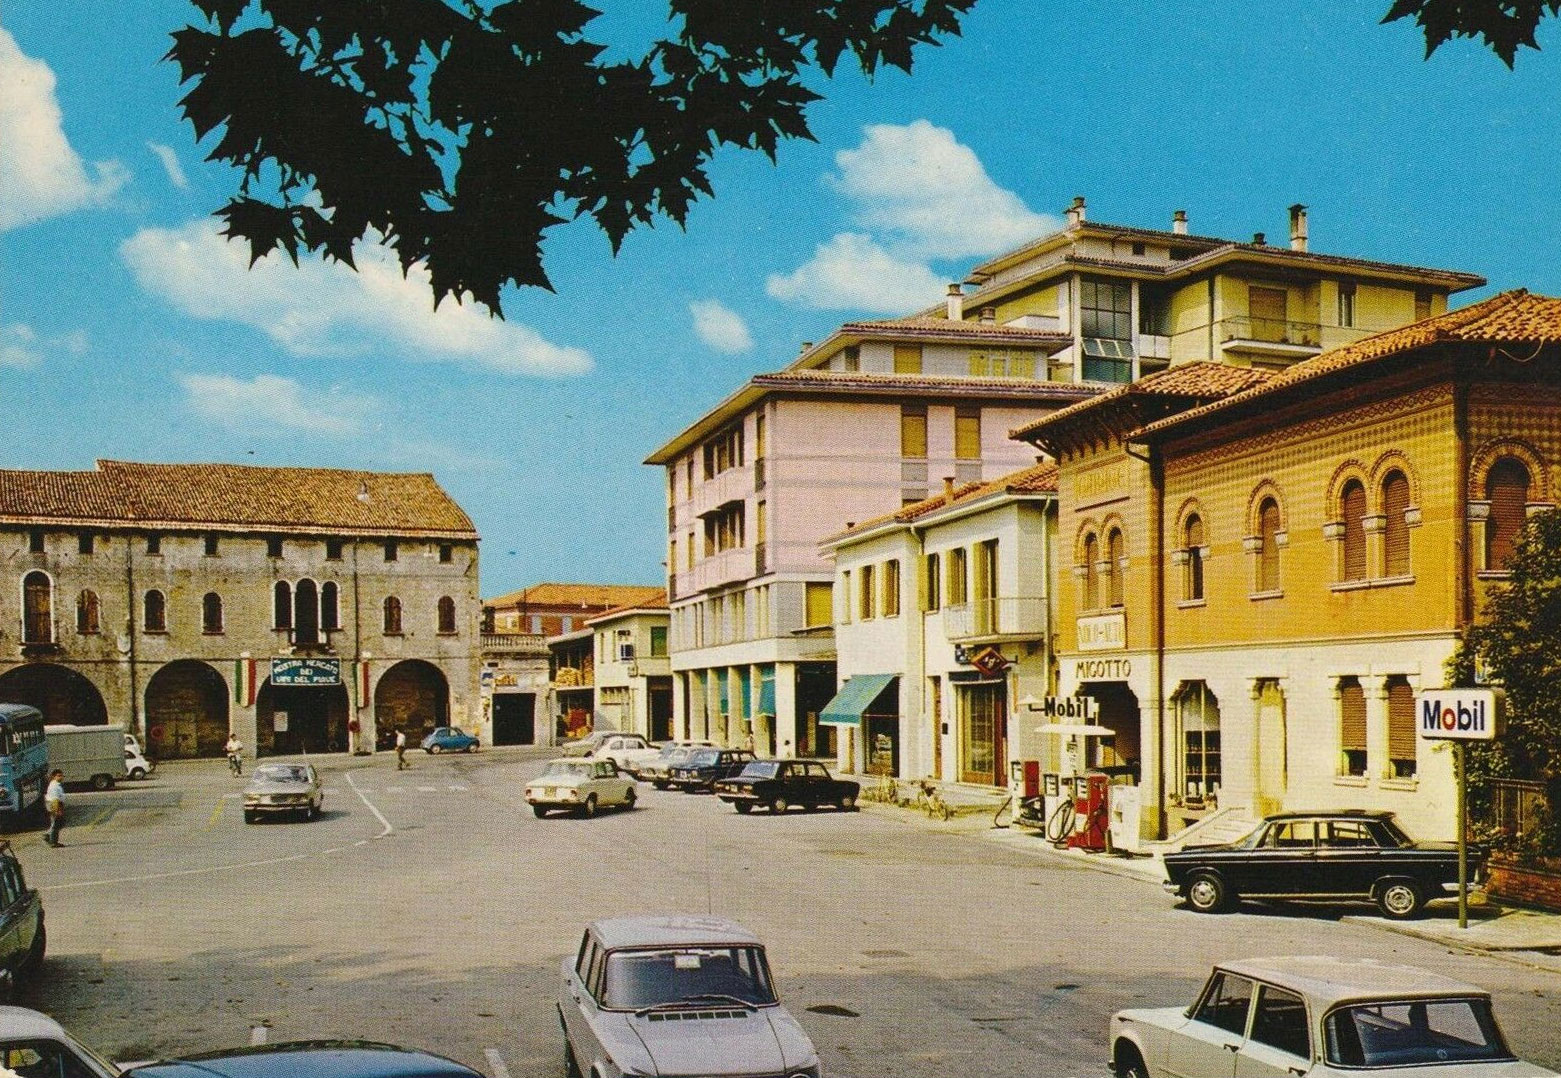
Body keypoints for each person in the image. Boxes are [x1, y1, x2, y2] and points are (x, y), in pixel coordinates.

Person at [43, 769, 65, 848]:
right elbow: (55, 799)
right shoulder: (54, 786)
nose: (61, 777)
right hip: (55, 804)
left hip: (54, 804)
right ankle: (53, 841)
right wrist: (57, 810)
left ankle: (49, 837)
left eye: (61, 775)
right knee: (56, 824)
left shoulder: (55, 784)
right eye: (59, 776)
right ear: (54, 776)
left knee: (56, 823)